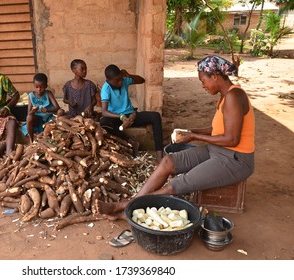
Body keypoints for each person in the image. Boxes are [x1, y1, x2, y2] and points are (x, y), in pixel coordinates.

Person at [96, 55, 255, 220]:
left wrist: (193, 136)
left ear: (214, 76)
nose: (203, 86)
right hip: (218, 150)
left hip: (236, 159)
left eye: (203, 81)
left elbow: (232, 139)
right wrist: (191, 131)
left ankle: (126, 207)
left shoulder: (233, 97)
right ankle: (131, 204)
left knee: (175, 186)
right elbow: (218, 129)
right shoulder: (225, 97)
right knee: (168, 162)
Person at [99, 64, 164, 161]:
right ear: (109, 80)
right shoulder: (106, 89)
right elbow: (104, 112)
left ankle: (159, 153)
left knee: (155, 116)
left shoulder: (124, 80)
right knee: (104, 122)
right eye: (116, 81)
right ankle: (131, 142)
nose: (120, 82)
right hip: (118, 118)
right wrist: (121, 117)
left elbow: (142, 80)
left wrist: (129, 75)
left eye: (121, 79)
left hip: (132, 115)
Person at [26, 73, 63, 143]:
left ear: (46, 86)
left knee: (61, 111)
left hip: (49, 118)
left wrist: (47, 110)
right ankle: (31, 139)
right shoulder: (31, 96)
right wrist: (33, 111)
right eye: (36, 87)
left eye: (41, 87)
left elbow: (57, 108)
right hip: (38, 119)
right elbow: (29, 113)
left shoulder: (48, 93)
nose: (39, 89)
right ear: (33, 85)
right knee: (29, 117)